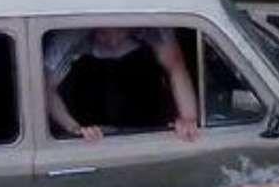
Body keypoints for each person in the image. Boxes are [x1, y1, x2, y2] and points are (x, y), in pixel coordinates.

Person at [45, 27, 198, 142]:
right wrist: (74, 128)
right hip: (93, 130)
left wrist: (187, 118)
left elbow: (176, 67)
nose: (112, 41)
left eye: (118, 32)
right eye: (104, 33)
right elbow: (46, 87)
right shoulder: (70, 35)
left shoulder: (151, 28)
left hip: (146, 127)